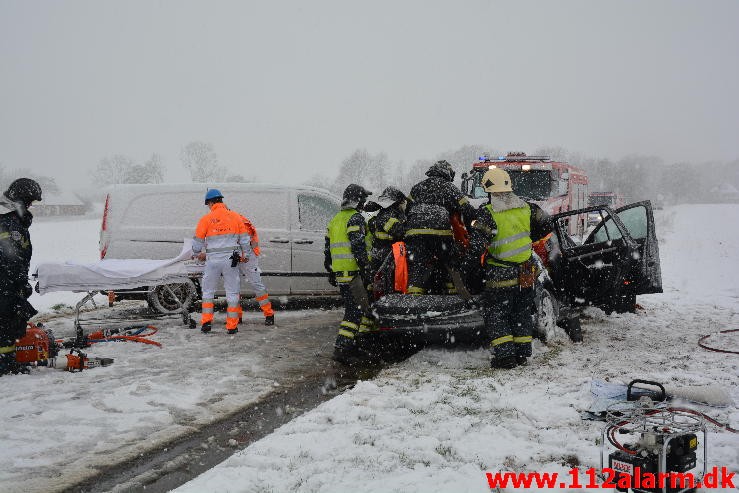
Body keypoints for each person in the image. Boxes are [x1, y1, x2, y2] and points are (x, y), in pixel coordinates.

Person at [467, 168, 552, 369]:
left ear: (488, 190)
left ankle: (505, 357)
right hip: (526, 271)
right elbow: (547, 223)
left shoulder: (488, 213)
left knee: (496, 313)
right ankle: (523, 353)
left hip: (500, 273)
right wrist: (531, 238)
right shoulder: (528, 208)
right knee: (521, 311)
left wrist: (467, 266)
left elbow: (476, 247)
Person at [404, 160, 475, 295]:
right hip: (440, 232)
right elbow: (468, 210)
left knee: (418, 265)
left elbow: (406, 210)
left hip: (414, 232)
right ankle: (452, 294)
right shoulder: (449, 188)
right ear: (447, 173)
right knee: (449, 261)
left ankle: (413, 298)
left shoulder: (417, 187)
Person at [324, 184, 373, 364]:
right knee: (355, 312)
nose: (365, 203)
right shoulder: (355, 218)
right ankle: (342, 349)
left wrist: (330, 270)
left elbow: (327, 248)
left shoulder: (336, 219)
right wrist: (366, 269)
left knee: (356, 309)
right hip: (354, 274)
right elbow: (358, 246)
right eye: (363, 199)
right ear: (357, 200)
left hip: (341, 273)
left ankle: (353, 346)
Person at [192, 189, 250, 335]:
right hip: (231, 260)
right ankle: (232, 326)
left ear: (211, 202)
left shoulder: (206, 219)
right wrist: (246, 254)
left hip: (212, 262)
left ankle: (206, 323)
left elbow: (197, 243)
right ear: (221, 201)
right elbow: (244, 239)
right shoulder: (236, 216)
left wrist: (196, 253)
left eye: (208, 205)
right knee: (232, 292)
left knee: (208, 292)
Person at [0, 178, 42, 376]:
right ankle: (6, 365)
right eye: (30, 202)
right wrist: (20, 284)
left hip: (7, 282)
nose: (31, 206)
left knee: (9, 322)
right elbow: (11, 258)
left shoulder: (10, 219)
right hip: (5, 284)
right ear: (22, 201)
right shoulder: (10, 223)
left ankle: (7, 361)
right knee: (7, 324)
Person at [235, 213, 274, 326]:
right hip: (238, 255)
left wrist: (245, 255)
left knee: (256, 284)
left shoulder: (238, 220)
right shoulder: (232, 219)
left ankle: (269, 314)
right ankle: (237, 316)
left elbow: (248, 240)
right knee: (234, 286)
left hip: (248, 256)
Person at [367, 186, 407, 293]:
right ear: (396, 202)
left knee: (376, 284)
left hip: (379, 254)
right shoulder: (388, 216)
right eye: (401, 202)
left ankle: (374, 303)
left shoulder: (382, 213)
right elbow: (400, 232)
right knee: (386, 285)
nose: (403, 205)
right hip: (386, 255)